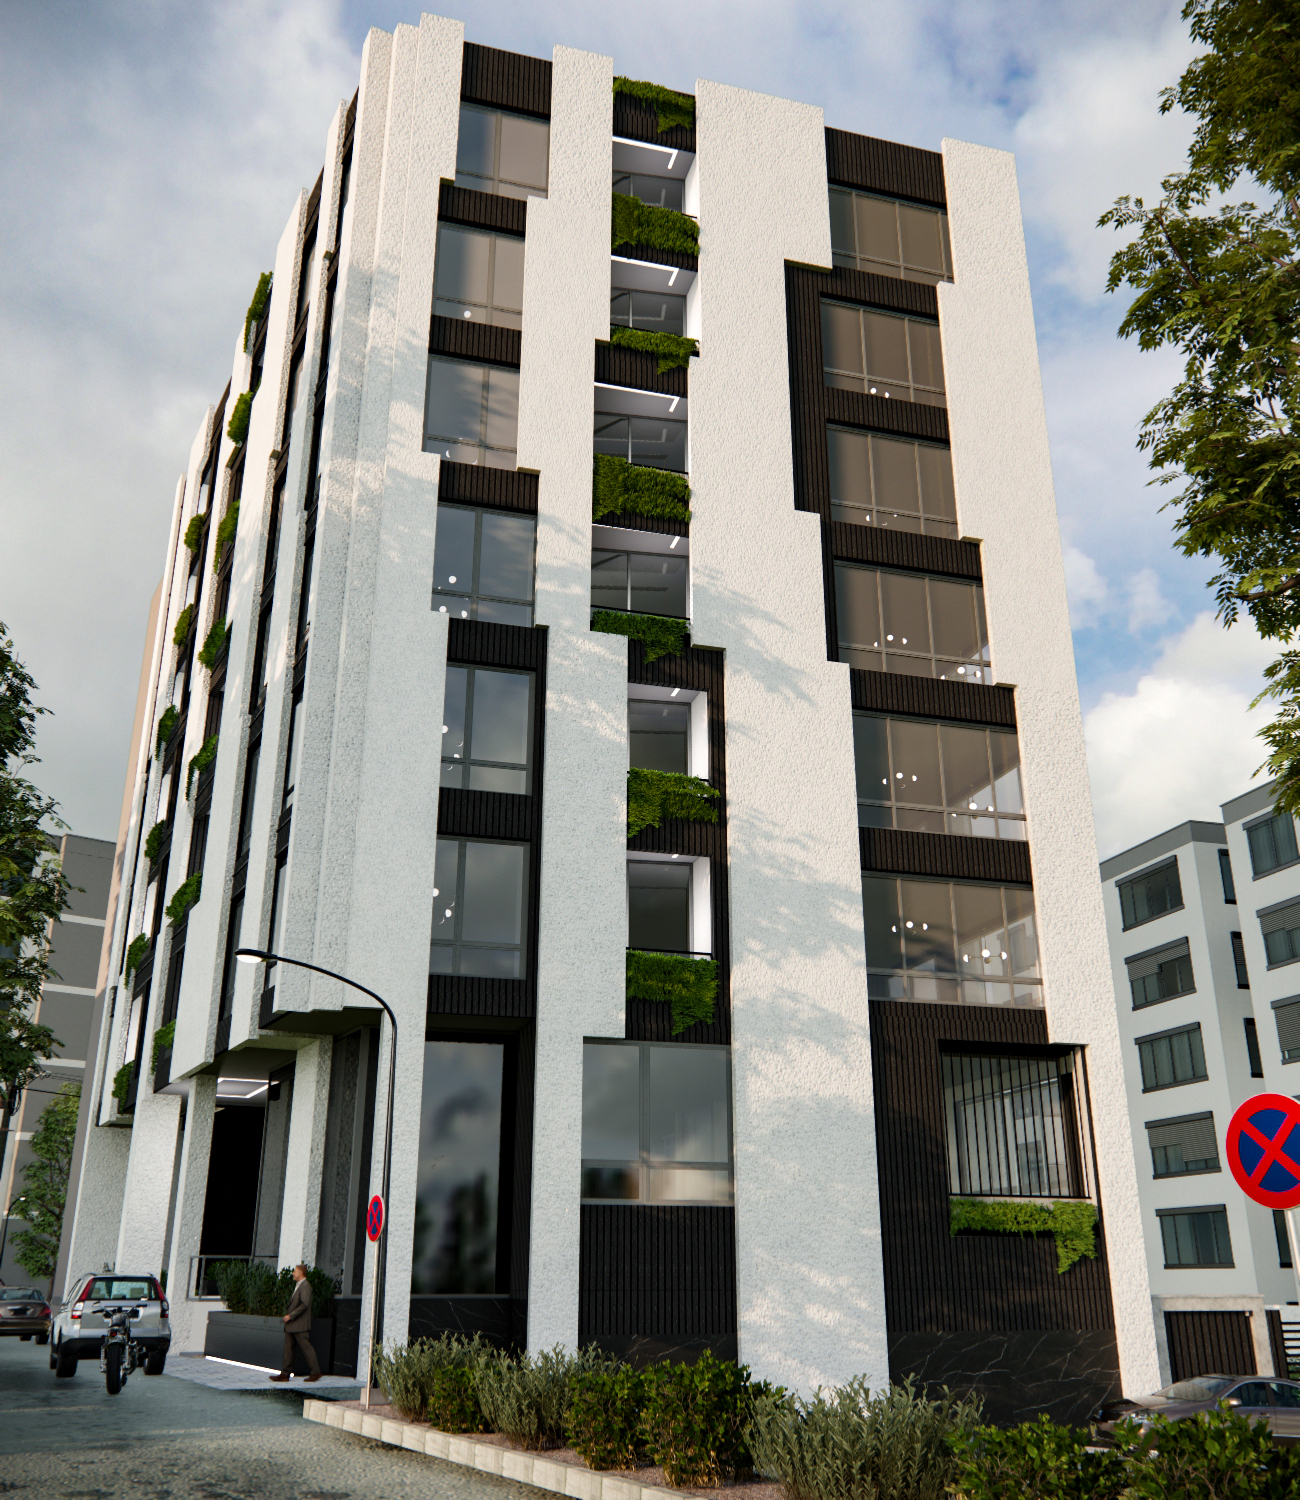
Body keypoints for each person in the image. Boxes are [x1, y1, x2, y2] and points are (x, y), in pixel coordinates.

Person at [269, 1264, 321, 1383]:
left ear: (301, 1273)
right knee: (288, 1349)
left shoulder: (305, 1286)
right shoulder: (299, 1285)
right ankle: (285, 1374)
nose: (293, 1273)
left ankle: (315, 1372)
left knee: (306, 1348)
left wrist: (290, 1316)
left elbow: (305, 1304)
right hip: (292, 1325)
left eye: (295, 1271)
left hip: (299, 1324)